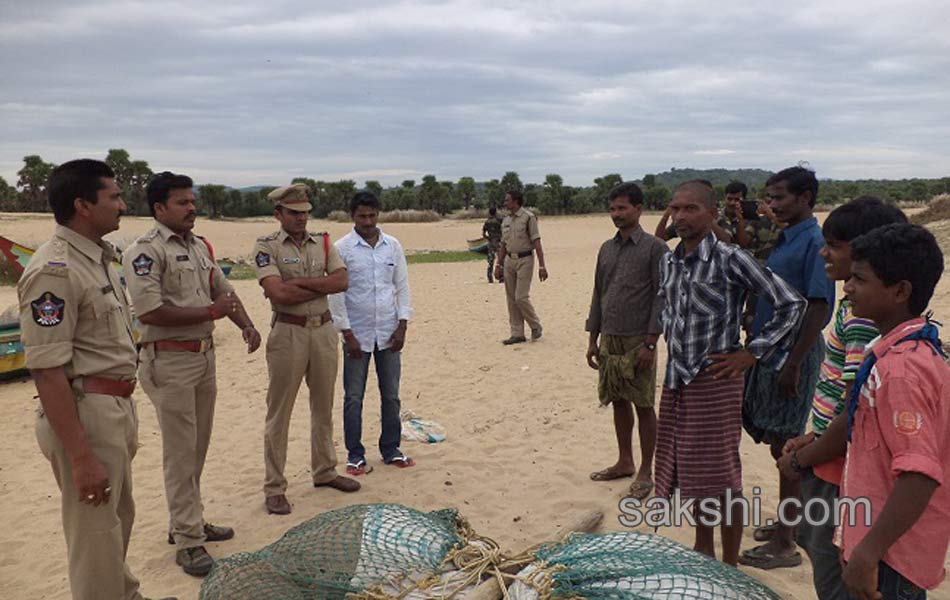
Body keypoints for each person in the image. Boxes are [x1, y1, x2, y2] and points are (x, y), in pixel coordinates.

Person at [18, 159, 175, 600]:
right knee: (94, 534)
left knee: (114, 521)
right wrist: (81, 456)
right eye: (114, 197)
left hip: (114, 408)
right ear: (82, 205)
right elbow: (47, 370)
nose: (123, 205)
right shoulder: (56, 270)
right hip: (85, 414)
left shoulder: (101, 259)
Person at [780, 223, 948, 599]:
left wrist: (868, 553)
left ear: (900, 291)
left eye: (859, 279)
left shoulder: (901, 371)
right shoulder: (890, 353)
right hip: (873, 539)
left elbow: (919, 475)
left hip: (891, 558)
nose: (847, 287)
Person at [654, 181, 805, 566]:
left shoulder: (730, 258)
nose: (681, 217)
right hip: (677, 380)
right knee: (692, 471)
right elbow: (668, 313)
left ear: (711, 213)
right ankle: (704, 549)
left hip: (716, 380)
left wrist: (751, 354)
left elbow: (791, 304)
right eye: (675, 209)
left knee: (722, 475)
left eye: (690, 209)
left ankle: (730, 561)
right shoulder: (669, 261)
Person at [124, 171, 261, 577]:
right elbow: (148, 311)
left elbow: (223, 291)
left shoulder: (199, 247)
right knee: (180, 452)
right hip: (168, 362)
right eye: (182, 202)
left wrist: (246, 324)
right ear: (159, 208)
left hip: (203, 358)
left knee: (197, 446)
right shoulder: (144, 252)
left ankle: (188, 521)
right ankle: (187, 541)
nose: (191, 208)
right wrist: (209, 314)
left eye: (192, 201)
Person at [774, 198, 907, 599]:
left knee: (836, 577)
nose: (823, 251)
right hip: (829, 457)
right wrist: (811, 437)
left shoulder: (867, 317)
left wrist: (800, 460)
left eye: (834, 244)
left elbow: (854, 414)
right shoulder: (857, 307)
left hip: (840, 475)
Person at [740, 166, 836, 570]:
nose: (773, 205)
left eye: (781, 198)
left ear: (807, 198)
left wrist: (794, 364)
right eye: (770, 198)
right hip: (772, 351)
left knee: (790, 448)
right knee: (780, 443)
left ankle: (785, 544)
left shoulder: (814, 241)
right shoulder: (786, 238)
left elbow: (818, 305)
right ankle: (789, 525)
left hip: (791, 355)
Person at [253, 183, 358, 516]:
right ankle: (274, 486)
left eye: (305, 213)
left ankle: (325, 470)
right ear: (279, 213)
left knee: (323, 405)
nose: (301, 219)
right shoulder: (266, 246)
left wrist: (299, 284)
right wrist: (317, 286)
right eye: (294, 213)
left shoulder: (324, 241)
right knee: (279, 412)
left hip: (324, 331)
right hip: (288, 333)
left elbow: (341, 282)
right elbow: (278, 294)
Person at [585, 182, 667, 500]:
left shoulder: (655, 248)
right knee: (617, 399)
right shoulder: (606, 248)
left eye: (622, 208)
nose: (616, 214)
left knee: (644, 403)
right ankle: (624, 461)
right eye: (612, 209)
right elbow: (598, 294)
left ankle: (647, 470)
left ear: (638, 209)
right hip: (609, 337)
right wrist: (593, 338)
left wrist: (650, 342)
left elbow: (662, 298)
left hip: (639, 341)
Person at [329, 191, 415, 474]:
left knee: (391, 394)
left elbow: (401, 287)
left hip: (389, 332)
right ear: (352, 215)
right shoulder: (342, 249)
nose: (368, 221)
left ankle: (391, 448)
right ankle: (355, 454)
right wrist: (347, 333)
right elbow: (336, 295)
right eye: (362, 216)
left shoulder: (393, 246)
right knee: (353, 396)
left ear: (379, 214)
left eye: (372, 215)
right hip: (357, 335)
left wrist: (402, 324)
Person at [494, 189, 547, 345]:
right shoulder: (506, 220)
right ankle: (517, 333)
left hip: (526, 260)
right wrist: (498, 264)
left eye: (507, 200)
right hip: (510, 260)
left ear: (516, 201)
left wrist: (542, 266)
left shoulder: (529, 218)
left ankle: (535, 325)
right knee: (511, 299)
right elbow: (503, 244)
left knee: (521, 297)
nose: (505, 203)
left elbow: (537, 242)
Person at [654, 179, 733, 244]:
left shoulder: (721, 219)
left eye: (691, 208)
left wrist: (707, 218)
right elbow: (660, 239)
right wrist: (667, 214)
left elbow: (726, 241)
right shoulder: (683, 221)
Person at [482, 206, 503, 283]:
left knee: (491, 260)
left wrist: (489, 238)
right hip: (498, 241)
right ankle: (501, 277)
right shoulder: (499, 220)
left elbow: (483, 233)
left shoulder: (487, 222)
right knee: (500, 259)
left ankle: (489, 277)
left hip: (491, 242)